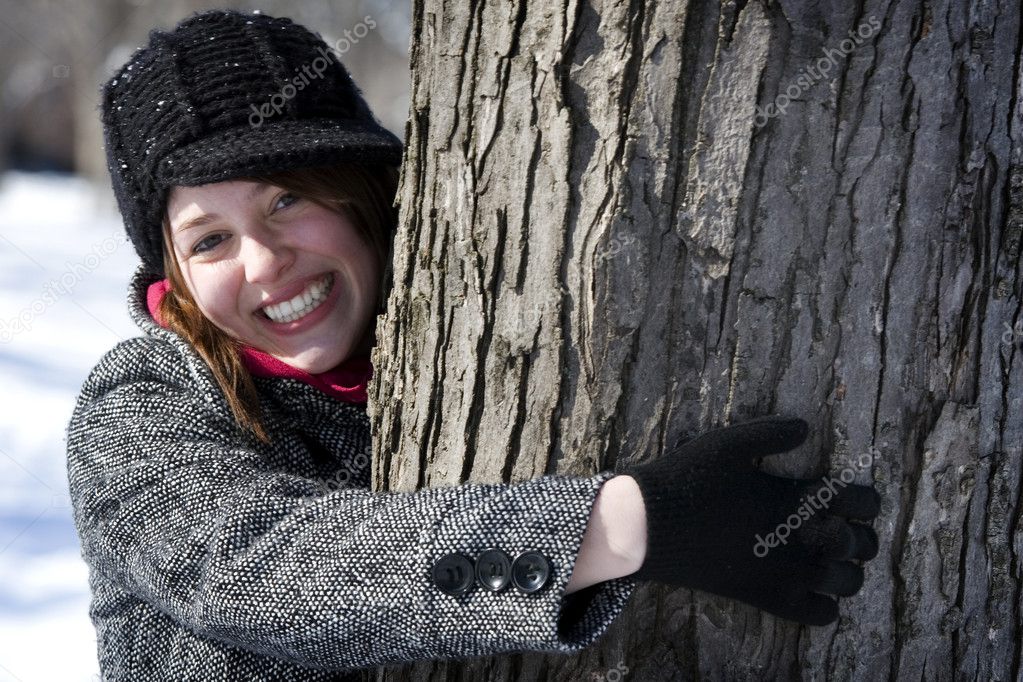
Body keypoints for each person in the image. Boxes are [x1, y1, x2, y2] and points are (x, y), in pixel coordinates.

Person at [64, 9, 882, 681]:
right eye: (209, 240)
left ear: (361, 193)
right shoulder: (142, 400)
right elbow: (252, 573)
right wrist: (632, 525)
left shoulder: (439, 342)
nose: (265, 262)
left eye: (287, 199)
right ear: (171, 268)